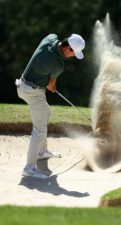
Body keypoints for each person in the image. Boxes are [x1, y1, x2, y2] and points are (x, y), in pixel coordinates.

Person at [15, 33, 85, 179]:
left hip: (26, 84)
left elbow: (47, 80)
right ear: (68, 49)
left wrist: (49, 85)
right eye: (74, 53)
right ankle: (29, 168)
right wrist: (52, 87)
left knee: (45, 113)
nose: (73, 56)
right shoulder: (59, 65)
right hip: (31, 91)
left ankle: (42, 152)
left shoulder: (50, 38)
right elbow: (51, 84)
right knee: (39, 129)